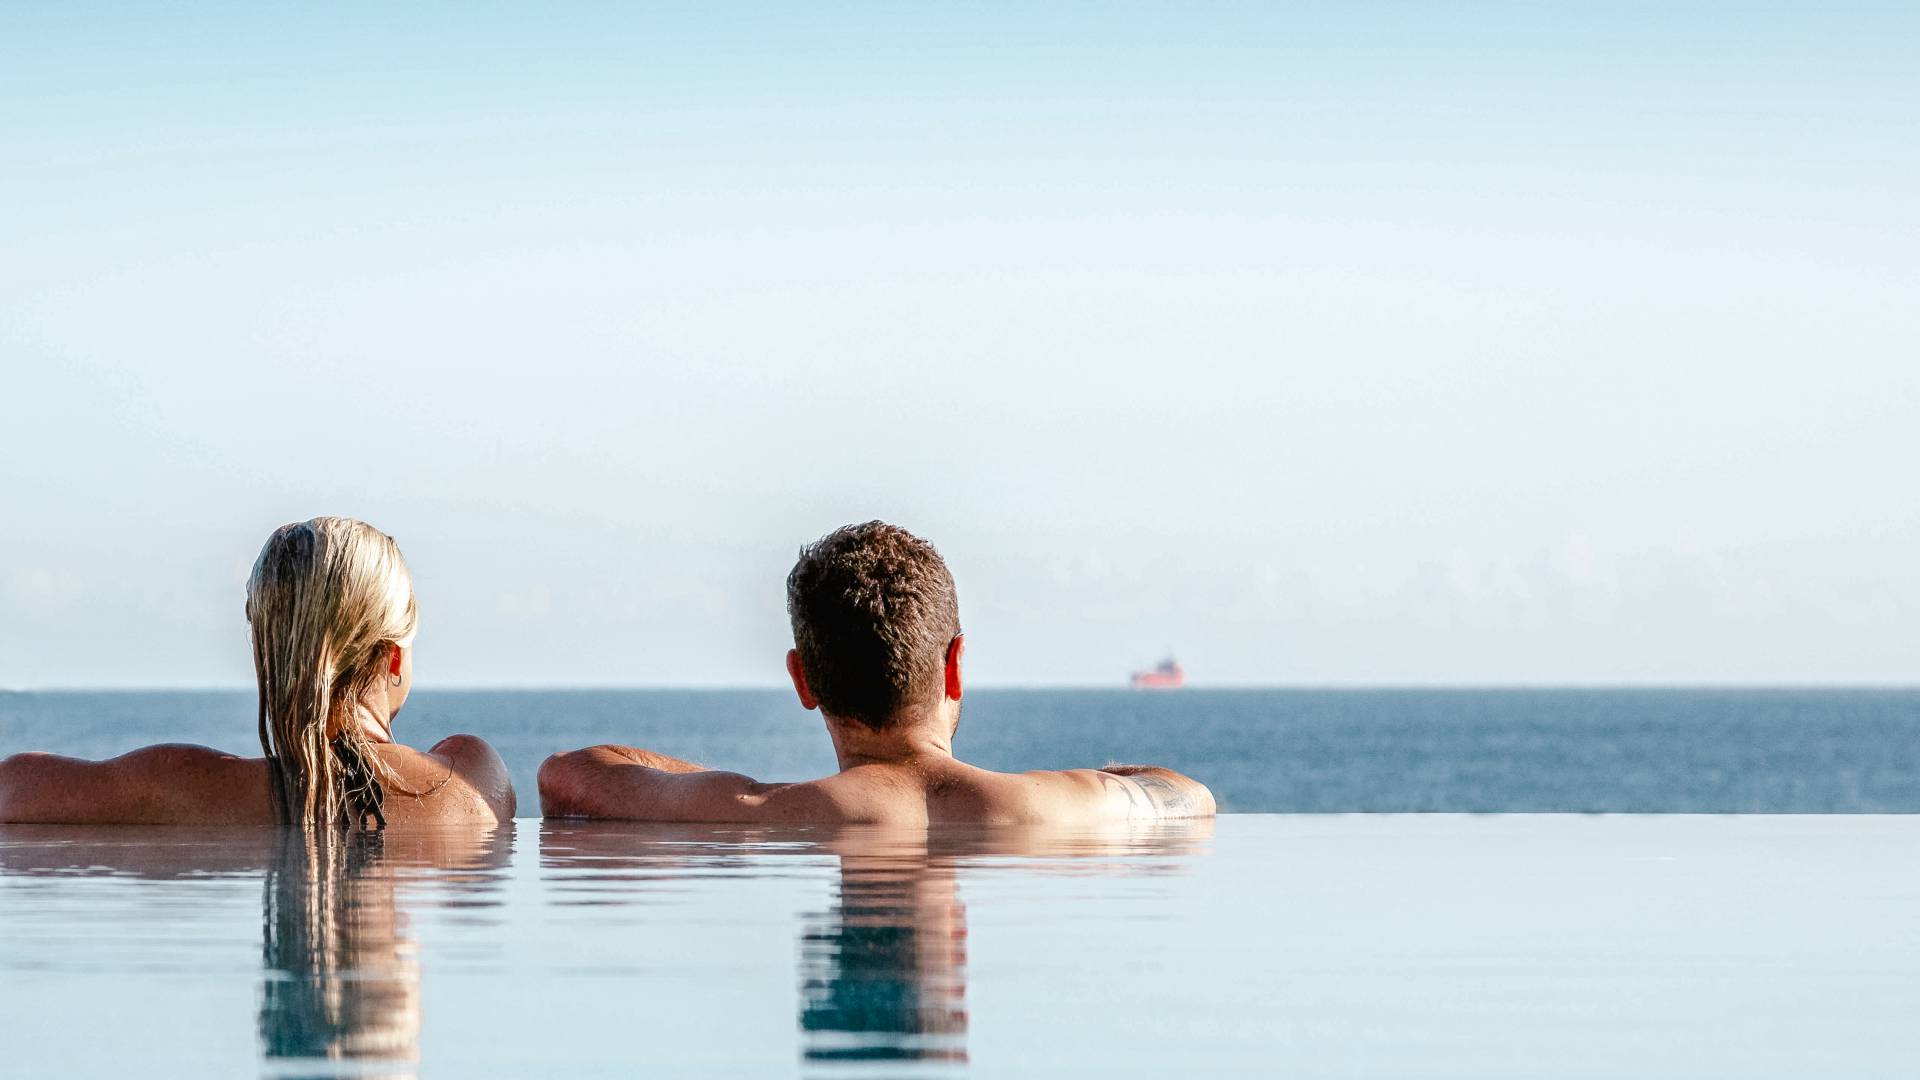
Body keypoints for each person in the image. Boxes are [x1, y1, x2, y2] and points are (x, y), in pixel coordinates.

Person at [540, 521, 1214, 825]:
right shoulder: (1060, 808)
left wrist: (742, 788)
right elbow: (1187, 796)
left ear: (804, 681)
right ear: (954, 666)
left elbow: (569, 774)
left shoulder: (766, 812)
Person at [0, 517, 515, 827]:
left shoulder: (186, 787)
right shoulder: (466, 778)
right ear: (393, 658)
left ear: (269, 650)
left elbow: (14, 786)